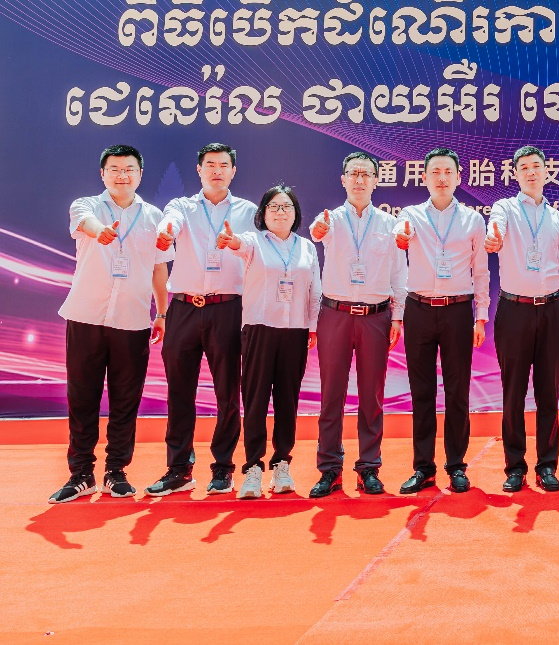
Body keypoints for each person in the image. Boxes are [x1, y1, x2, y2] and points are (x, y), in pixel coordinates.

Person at [50, 145, 170, 503]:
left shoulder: (154, 217)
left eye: (129, 169)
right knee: (82, 397)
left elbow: (159, 268)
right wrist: (101, 231)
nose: (122, 175)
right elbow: (86, 224)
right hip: (86, 316)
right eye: (114, 169)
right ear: (102, 174)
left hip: (132, 320)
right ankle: (81, 474)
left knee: (125, 400)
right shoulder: (86, 205)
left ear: (140, 174)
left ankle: (116, 472)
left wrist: (162, 313)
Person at [147, 142, 256, 497]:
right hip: (183, 309)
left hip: (229, 308)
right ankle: (179, 469)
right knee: (179, 391)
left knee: (228, 392)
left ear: (233, 171)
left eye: (224, 165)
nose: (217, 171)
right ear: (199, 169)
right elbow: (171, 223)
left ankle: (223, 468)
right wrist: (166, 230)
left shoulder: (249, 211)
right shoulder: (182, 207)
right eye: (210, 164)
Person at [308, 152, 406, 498]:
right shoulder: (330, 220)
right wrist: (318, 230)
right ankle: (329, 469)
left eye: (366, 174)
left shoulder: (390, 224)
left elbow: (399, 273)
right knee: (331, 395)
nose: (360, 179)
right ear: (343, 179)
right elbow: (317, 233)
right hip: (335, 315)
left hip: (376, 318)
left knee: (372, 396)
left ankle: (369, 468)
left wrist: (398, 316)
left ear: (377, 180)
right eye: (353, 173)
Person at [393, 149, 490, 495]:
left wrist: (481, 316)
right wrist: (400, 238)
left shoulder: (472, 220)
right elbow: (399, 239)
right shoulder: (410, 216)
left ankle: (456, 466)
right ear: (424, 177)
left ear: (459, 177)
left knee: (457, 391)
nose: (442, 178)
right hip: (418, 308)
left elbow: (481, 271)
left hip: (458, 311)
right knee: (421, 392)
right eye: (435, 171)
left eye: (448, 171)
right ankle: (423, 468)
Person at [216, 185, 320, 499]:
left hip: (295, 331)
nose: (280, 212)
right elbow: (237, 244)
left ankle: (282, 464)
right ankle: (253, 468)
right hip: (259, 329)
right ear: (263, 213)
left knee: (288, 401)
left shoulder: (306, 247)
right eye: (273, 206)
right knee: (256, 399)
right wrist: (230, 240)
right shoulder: (254, 242)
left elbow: (315, 290)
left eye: (286, 206)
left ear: (296, 213)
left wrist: (313, 327)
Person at [485, 146, 559, 493]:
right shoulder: (505, 208)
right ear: (516, 174)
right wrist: (493, 238)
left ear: (546, 170)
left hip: (551, 309)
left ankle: (547, 465)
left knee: (548, 392)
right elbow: (495, 230)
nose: (532, 172)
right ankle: (515, 466)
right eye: (524, 167)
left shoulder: (556, 218)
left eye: (537, 166)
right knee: (513, 392)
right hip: (514, 310)